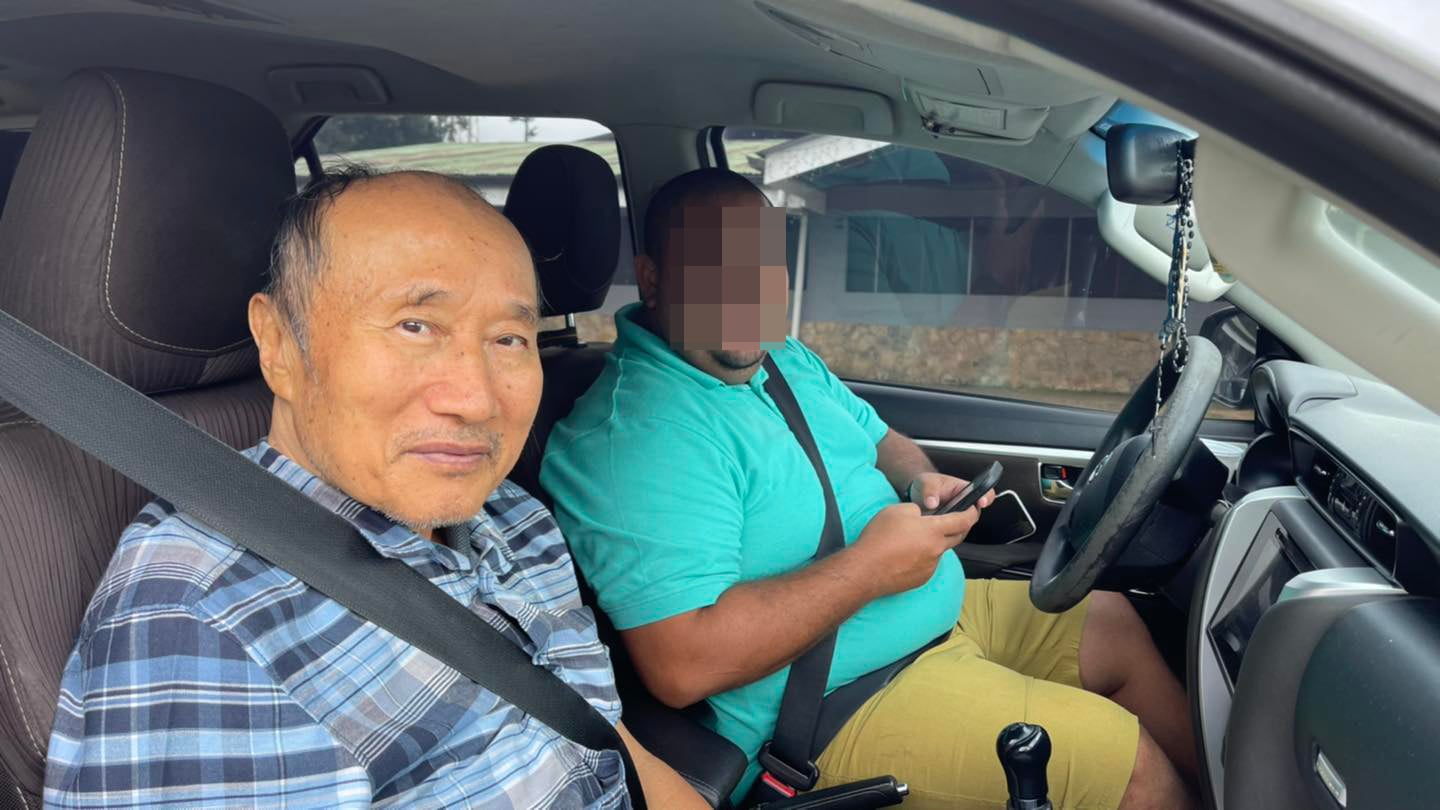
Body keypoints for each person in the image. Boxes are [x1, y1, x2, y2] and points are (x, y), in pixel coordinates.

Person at [44, 168, 705, 809]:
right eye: (416, 326)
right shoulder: (205, 620)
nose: (477, 400)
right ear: (279, 344)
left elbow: (605, 739)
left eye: (509, 338)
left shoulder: (512, 515)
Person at [541, 168, 1200, 810]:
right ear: (654, 279)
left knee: (1111, 621)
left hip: (928, 620)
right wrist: (870, 569)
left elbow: (882, 441)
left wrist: (921, 479)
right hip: (829, 708)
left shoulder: (781, 356)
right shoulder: (636, 435)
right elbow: (682, 664)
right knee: (1130, 769)